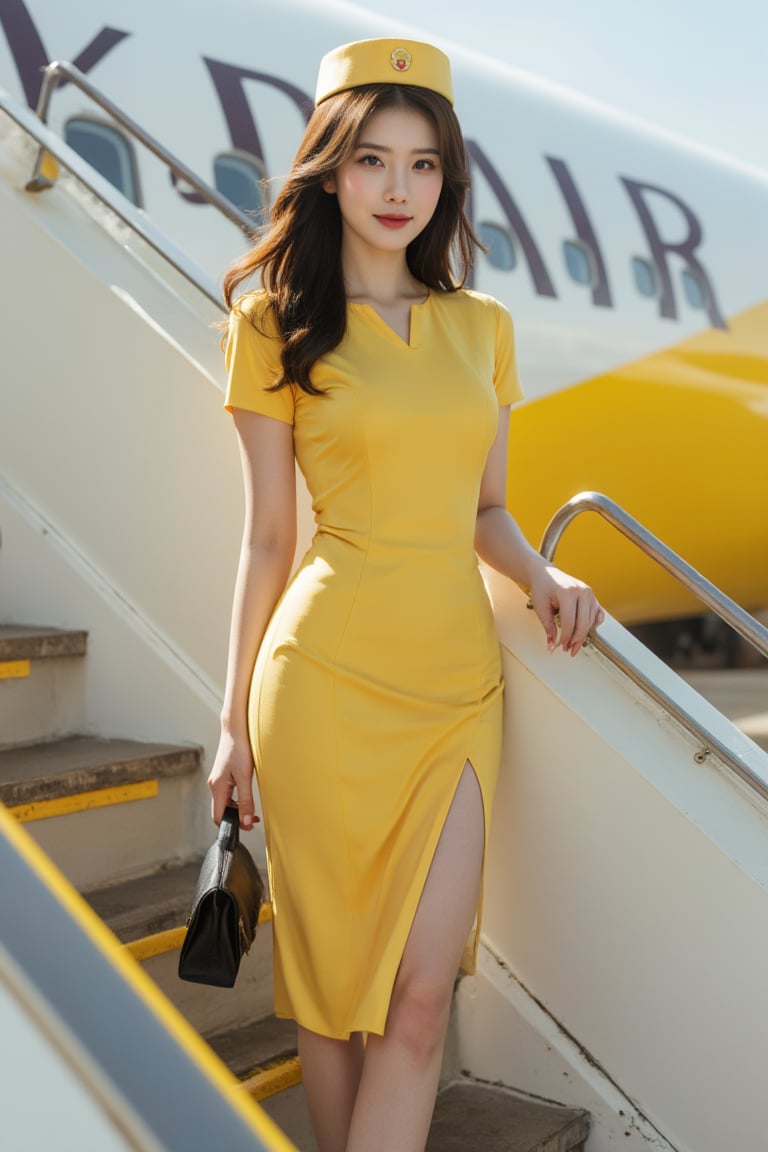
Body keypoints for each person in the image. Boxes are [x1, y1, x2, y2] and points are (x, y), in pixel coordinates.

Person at [208, 36, 604, 1152]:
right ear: (329, 169)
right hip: (323, 681)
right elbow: (270, 535)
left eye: (423, 165)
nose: (398, 189)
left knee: (422, 998)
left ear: (448, 179)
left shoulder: (485, 329)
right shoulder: (272, 323)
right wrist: (230, 719)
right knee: (332, 999)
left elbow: (483, 512)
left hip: (455, 694)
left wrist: (542, 570)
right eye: (373, 159)